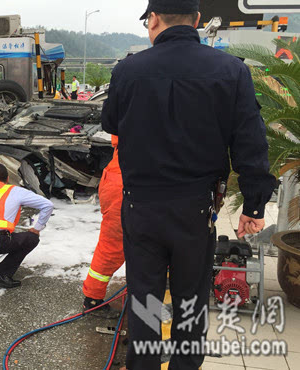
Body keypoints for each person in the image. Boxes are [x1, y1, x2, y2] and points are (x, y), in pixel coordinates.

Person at [102, 0, 276, 369]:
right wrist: (254, 207)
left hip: (142, 207)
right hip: (195, 210)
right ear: (197, 20)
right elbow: (251, 142)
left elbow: (110, 123)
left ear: (153, 19)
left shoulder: (128, 70)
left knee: (145, 301)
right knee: (190, 302)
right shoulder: (230, 71)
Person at [82, 135, 125, 319]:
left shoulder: (128, 108)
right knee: (114, 246)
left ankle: (92, 297)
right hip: (126, 184)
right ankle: (92, 300)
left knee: (112, 244)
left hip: (116, 178)